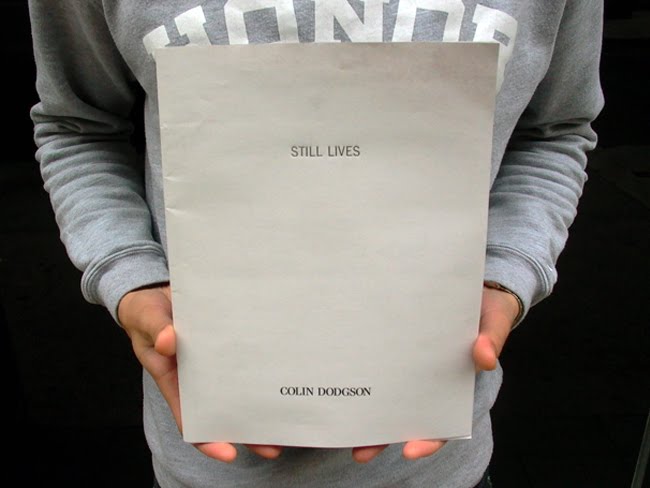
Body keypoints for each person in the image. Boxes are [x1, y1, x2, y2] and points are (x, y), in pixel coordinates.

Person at [27, 1, 604, 487]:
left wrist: (506, 273)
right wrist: (130, 275)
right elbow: (79, 125)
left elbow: (552, 129)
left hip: (436, 457)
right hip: (209, 457)